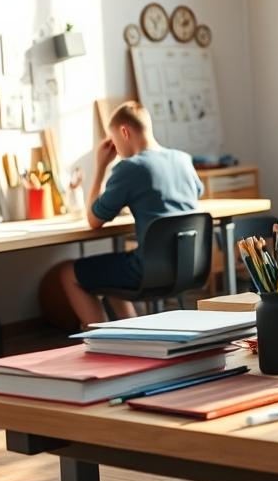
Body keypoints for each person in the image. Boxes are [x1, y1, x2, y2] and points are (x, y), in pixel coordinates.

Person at [57, 101, 203, 328]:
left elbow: (93, 220)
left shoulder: (130, 168)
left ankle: (101, 339)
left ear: (124, 132)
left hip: (149, 271)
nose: (115, 149)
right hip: (189, 266)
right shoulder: (182, 159)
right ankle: (134, 334)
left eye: (114, 141)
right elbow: (197, 193)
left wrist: (100, 167)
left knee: (67, 272)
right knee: (110, 276)